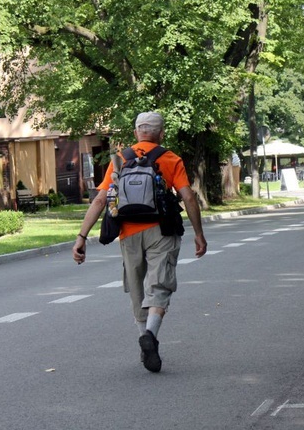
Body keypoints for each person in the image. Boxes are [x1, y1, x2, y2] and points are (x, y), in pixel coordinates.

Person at [72, 111, 208, 373]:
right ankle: (151, 336)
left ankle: (144, 344)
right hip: (162, 230)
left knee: (137, 290)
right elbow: (188, 198)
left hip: (128, 233)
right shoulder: (170, 158)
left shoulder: (120, 158)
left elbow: (100, 200)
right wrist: (199, 233)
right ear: (161, 134)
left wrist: (81, 237)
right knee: (160, 286)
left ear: (136, 133)